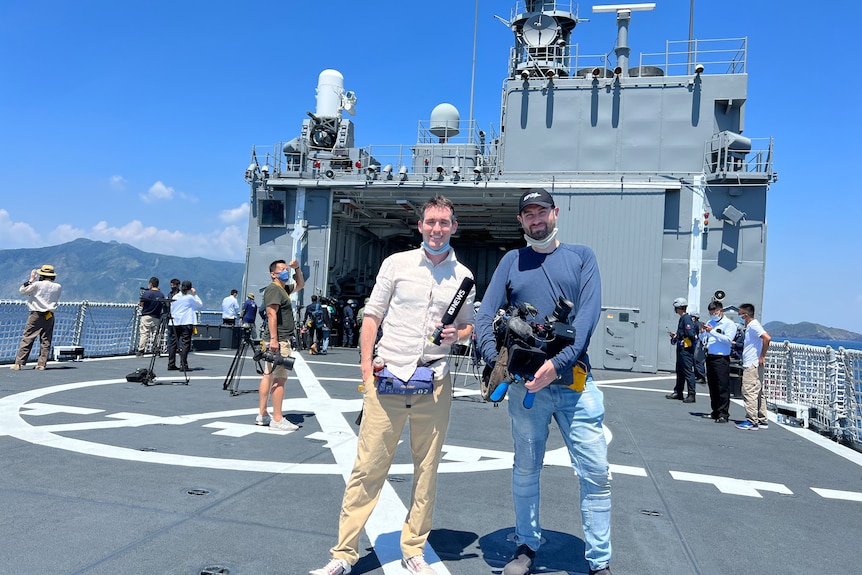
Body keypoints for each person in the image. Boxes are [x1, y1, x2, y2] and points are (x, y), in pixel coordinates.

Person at [311, 195, 475, 575]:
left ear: (454, 227)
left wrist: (458, 333)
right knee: (367, 468)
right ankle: (343, 553)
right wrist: (366, 371)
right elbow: (372, 316)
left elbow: (468, 326)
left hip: (433, 378)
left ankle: (414, 547)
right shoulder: (396, 264)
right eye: (431, 221)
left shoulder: (463, 276)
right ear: (419, 225)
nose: (437, 229)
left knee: (427, 469)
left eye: (444, 223)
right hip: (387, 376)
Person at [474, 188, 612, 575]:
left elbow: (586, 320)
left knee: (596, 473)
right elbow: (485, 316)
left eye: (542, 212)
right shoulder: (511, 261)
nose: (536, 220)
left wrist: (558, 362)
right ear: (521, 221)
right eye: (528, 214)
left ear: (556, 213)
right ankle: (525, 546)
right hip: (524, 388)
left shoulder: (582, 257)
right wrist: (497, 362)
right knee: (526, 468)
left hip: (574, 384)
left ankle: (599, 562)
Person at [257, 258, 305, 430]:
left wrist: (297, 268)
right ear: (273, 274)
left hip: (277, 339)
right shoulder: (274, 290)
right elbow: (271, 314)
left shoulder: (282, 289)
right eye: (282, 269)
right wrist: (274, 339)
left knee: (268, 374)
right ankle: (277, 418)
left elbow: (300, 284)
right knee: (280, 378)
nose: (286, 271)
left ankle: (262, 414)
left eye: (286, 269)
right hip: (280, 339)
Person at [11, 264, 63, 370]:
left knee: (28, 338)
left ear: (41, 275)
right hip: (49, 315)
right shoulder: (58, 286)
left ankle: (19, 363)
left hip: (36, 315)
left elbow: (22, 290)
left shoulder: (37, 285)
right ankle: (42, 364)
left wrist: (31, 280)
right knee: (46, 340)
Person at [699, 300, 738, 423]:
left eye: (714, 312)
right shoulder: (710, 323)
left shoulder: (729, 324)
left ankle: (723, 413)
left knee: (722, 386)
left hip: (721, 358)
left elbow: (727, 340)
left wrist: (713, 332)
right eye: (710, 313)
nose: (712, 315)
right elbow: (705, 339)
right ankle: (715, 411)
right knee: (713, 386)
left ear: (720, 311)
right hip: (710, 357)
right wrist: (702, 334)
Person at [735, 303, 771, 430]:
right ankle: (762, 419)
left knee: (748, 391)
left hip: (752, 364)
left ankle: (751, 421)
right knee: (759, 391)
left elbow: (767, 338)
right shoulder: (751, 326)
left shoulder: (754, 325)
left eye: (740, 314)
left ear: (745, 315)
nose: (739, 316)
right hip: (755, 364)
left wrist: (762, 356)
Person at [665, 297, 698, 403]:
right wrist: (677, 335)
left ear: (679, 307)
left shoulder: (686, 318)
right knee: (680, 370)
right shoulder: (683, 318)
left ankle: (691, 394)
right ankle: (678, 392)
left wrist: (682, 338)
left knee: (688, 371)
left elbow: (690, 334)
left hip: (685, 349)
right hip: (681, 348)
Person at [167, 280, 203, 372]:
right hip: (186, 322)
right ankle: (183, 364)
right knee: (185, 343)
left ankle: (171, 364)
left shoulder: (175, 297)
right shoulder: (190, 298)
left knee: (173, 343)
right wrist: (195, 294)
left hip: (175, 322)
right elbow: (199, 304)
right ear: (190, 288)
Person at [137, 277, 165, 357]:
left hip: (146, 315)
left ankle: (141, 350)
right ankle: (157, 349)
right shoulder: (161, 294)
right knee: (156, 334)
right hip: (157, 316)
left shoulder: (147, 293)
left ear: (151, 284)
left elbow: (141, 304)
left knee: (144, 333)